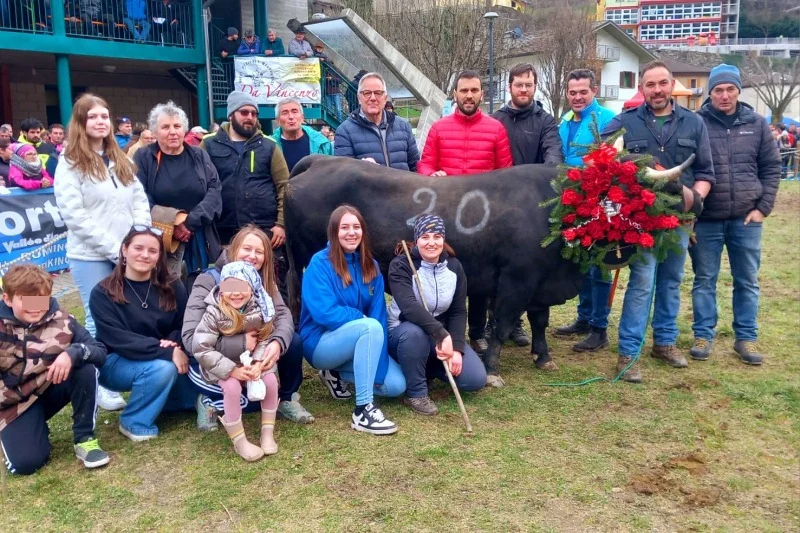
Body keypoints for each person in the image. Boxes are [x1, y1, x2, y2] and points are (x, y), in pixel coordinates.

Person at [602, 60, 715, 382]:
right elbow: (602, 153)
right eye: (650, 85)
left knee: (672, 281)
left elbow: (705, 172)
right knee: (641, 282)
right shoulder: (625, 121)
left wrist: (695, 202)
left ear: (671, 85)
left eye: (662, 83)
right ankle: (629, 352)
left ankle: (664, 342)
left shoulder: (694, 123)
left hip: (679, 220)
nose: (657, 90)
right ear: (642, 89)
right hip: (641, 222)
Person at [54, 93, 152, 412]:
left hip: (127, 254)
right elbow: (75, 216)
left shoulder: (119, 159)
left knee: (127, 317)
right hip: (91, 256)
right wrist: (115, 250)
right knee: (97, 320)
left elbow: (139, 200)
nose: (100, 122)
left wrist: (139, 239)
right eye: (93, 117)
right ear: (81, 122)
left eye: (104, 116)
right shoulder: (70, 163)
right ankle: (98, 383)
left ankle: (124, 374)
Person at [691, 64, 781, 365]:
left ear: (738, 91)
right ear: (711, 93)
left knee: (747, 280)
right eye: (718, 90)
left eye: (730, 89)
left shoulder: (756, 124)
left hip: (746, 218)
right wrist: (692, 212)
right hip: (707, 219)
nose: (724, 95)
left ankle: (746, 337)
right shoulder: (697, 123)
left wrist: (762, 208)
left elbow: (771, 168)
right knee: (704, 279)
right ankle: (703, 334)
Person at [183, 225, 313, 427]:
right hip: (217, 356)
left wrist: (276, 343)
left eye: (259, 252)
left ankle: (287, 398)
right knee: (242, 399)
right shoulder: (208, 280)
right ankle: (209, 400)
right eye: (247, 249)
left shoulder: (263, 279)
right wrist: (241, 342)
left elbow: (282, 315)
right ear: (233, 249)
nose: (252, 256)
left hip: (254, 356)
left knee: (292, 341)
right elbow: (191, 338)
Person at [299, 205, 406, 435]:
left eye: (356, 227)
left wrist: (379, 366)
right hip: (319, 342)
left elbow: (378, 316)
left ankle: (334, 374)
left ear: (363, 231)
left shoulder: (371, 266)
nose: (351, 232)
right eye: (344, 227)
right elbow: (325, 313)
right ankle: (363, 410)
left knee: (395, 385)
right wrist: (360, 318)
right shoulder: (319, 263)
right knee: (369, 327)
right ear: (334, 232)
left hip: (362, 337)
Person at [0, 264, 109, 474]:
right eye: (25, 300)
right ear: (7, 299)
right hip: (11, 404)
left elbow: (99, 351)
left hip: (47, 389)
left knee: (85, 366)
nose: (35, 307)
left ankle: (84, 438)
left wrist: (72, 353)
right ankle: (27, 431)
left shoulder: (63, 321)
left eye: (41, 299)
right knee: (27, 464)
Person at [90, 226, 195, 441]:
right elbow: (117, 339)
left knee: (196, 388)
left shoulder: (172, 285)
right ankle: (134, 422)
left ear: (159, 256)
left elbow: (184, 323)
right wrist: (166, 352)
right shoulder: (103, 292)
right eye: (138, 248)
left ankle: (164, 401)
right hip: (116, 360)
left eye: (152, 251)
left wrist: (173, 344)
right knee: (162, 369)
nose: (145, 255)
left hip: (167, 352)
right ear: (124, 250)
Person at [387, 215, 487, 415]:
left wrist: (456, 348)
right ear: (417, 240)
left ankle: (423, 366)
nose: (431, 242)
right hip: (404, 331)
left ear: (443, 239)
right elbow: (409, 307)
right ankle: (416, 393)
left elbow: (458, 311)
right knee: (414, 335)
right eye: (425, 237)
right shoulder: (401, 265)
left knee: (474, 379)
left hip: (439, 336)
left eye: (437, 236)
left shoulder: (454, 267)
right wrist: (442, 335)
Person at [553, 69, 618, 353]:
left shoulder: (608, 119)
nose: (577, 97)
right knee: (582, 263)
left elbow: (611, 160)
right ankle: (584, 317)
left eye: (583, 92)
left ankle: (599, 328)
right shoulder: (566, 120)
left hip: (599, 202)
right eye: (572, 92)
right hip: (572, 201)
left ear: (594, 91)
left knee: (599, 265)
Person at [201, 91, 289, 293]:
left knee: (270, 286)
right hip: (223, 230)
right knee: (226, 286)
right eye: (244, 112)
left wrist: (281, 224)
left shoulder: (269, 146)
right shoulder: (209, 144)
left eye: (254, 113)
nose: (250, 117)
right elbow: (200, 186)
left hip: (265, 231)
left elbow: (284, 186)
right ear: (231, 114)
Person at [192, 261, 281, 461]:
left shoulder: (259, 308)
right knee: (232, 388)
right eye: (229, 286)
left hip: (250, 362)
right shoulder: (213, 312)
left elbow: (265, 337)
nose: (236, 293)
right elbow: (201, 348)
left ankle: (267, 433)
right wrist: (232, 370)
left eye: (242, 287)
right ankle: (240, 441)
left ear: (252, 288)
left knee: (270, 381)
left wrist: (258, 363)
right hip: (221, 365)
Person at [134, 101, 223, 281]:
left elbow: (214, 190)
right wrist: (172, 225)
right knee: (166, 288)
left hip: (199, 235)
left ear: (184, 129)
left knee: (201, 286)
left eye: (177, 126)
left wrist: (189, 223)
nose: (173, 131)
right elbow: (138, 195)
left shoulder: (199, 155)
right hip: (162, 238)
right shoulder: (144, 157)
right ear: (155, 131)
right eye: (165, 127)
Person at [418, 70, 512, 176]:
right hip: (448, 187)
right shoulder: (437, 128)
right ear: (455, 95)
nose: (469, 95)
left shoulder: (497, 129)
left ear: (481, 95)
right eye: (464, 90)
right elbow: (425, 164)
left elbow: (506, 173)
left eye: (474, 90)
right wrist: (431, 173)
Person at [334, 72, 420, 171]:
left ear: (385, 98)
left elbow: (416, 168)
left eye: (378, 93)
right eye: (367, 93)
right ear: (359, 98)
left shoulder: (403, 126)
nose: (373, 98)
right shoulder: (344, 131)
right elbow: (343, 174)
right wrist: (361, 169)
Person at [492, 63, 563, 166]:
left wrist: (551, 168)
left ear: (535, 87)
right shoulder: (495, 120)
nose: (524, 90)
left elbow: (553, 155)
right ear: (509, 87)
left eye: (528, 85)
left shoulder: (546, 122)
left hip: (535, 177)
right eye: (518, 85)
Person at [271, 97, 333, 172]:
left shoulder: (322, 143)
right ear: (278, 120)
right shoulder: (269, 146)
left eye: (294, 112)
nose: (291, 117)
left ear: (302, 117)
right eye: (285, 113)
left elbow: (332, 172)